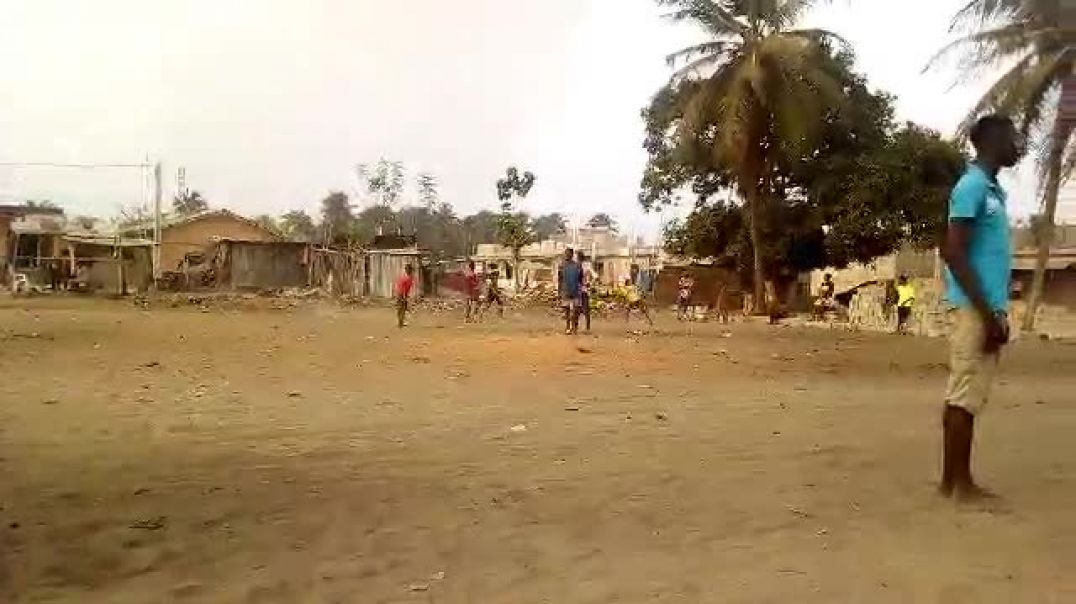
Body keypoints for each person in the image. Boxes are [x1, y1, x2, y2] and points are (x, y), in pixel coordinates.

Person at [939, 114, 1022, 501]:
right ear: (991, 141)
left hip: (985, 308)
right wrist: (988, 315)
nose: (1018, 144)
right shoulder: (971, 186)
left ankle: (952, 482)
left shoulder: (991, 190)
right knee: (964, 395)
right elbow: (953, 252)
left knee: (965, 394)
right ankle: (959, 486)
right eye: (1013, 136)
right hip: (974, 308)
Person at [558, 248, 583, 335]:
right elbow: (560, 279)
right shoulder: (562, 266)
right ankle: (568, 327)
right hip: (565, 291)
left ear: (572, 255)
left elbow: (580, 279)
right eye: (565, 253)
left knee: (576, 311)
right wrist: (559, 291)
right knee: (567, 311)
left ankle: (575, 327)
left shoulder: (578, 266)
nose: (566, 255)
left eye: (568, 254)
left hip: (575, 291)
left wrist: (580, 289)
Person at [577, 251, 596, 332]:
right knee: (577, 309)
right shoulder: (576, 266)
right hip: (577, 290)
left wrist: (589, 283)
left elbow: (595, 276)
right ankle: (576, 327)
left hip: (584, 290)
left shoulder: (587, 266)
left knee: (585, 309)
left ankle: (587, 327)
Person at [394, 263, 415, 328]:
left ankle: (401, 322)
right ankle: (400, 323)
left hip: (403, 294)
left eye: (410, 270)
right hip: (401, 294)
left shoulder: (410, 278)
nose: (409, 271)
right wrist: (403, 296)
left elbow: (408, 287)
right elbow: (401, 287)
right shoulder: (405, 278)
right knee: (401, 308)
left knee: (403, 308)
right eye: (407, 269)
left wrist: (406, 295)